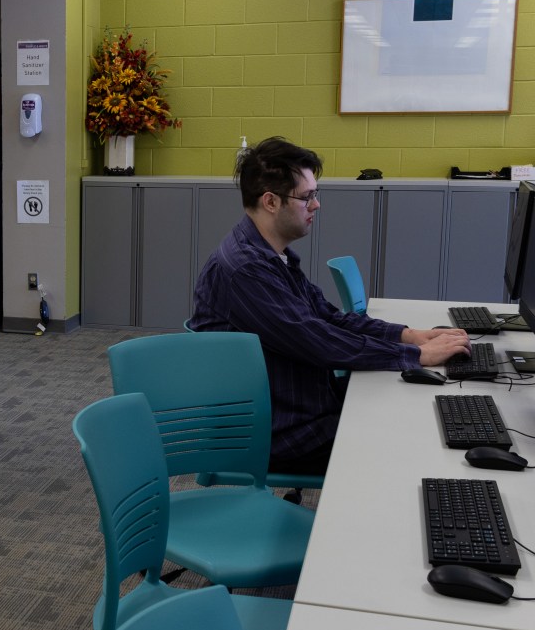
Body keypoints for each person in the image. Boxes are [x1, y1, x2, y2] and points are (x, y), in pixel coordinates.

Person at [188, 136, 470, 475]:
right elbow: (316, 340)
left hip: (302, 403)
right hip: (276, 430)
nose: (316, 205)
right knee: (409, 441)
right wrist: (417, 358)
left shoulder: (271, 257)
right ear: (271, 202)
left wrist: (410, 336)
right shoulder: (245, 270)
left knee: (412, 412)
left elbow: (329, 319)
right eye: (307, 197)